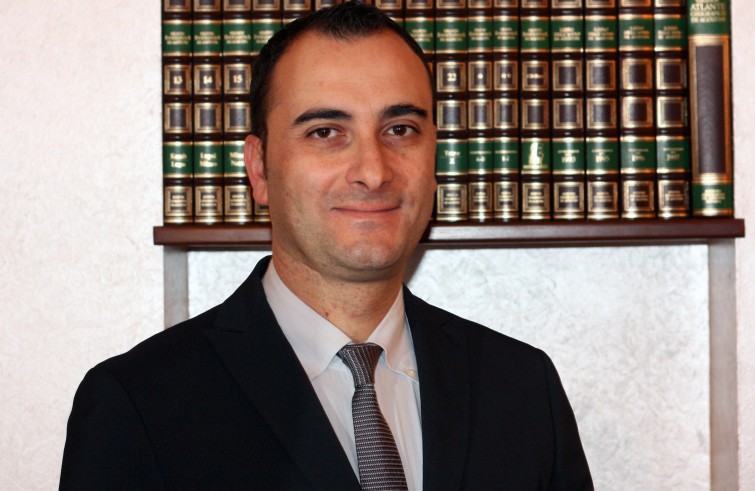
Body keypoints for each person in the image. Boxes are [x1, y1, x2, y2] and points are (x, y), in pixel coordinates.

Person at [60, 2, 593, 489]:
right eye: (325, 132)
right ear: (259, 169)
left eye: (400, 129)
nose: (373, 171)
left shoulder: (523, 389)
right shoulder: (139, 404)